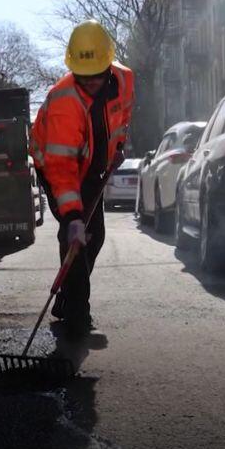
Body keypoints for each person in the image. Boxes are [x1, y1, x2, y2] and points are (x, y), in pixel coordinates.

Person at [30, 20, 135, 334]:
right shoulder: (64, 102)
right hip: (56, 165)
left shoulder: (125, 80)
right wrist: (73, 217)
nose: (89, 82)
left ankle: (67, 298)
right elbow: (61, 168)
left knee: (95, 236)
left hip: (92, 168)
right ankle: (77, 317)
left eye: (95, 76)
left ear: (108, 65)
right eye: (82, 76)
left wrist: (119, 146)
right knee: (77, 239)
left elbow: (122, 116)